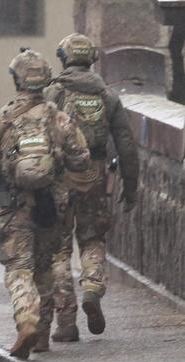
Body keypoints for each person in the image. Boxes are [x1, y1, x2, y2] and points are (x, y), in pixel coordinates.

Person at [0, 49, 90, 359]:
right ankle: (41, 339)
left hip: (15, 207)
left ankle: (27, 321)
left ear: (16, 80)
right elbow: (82, 159)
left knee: (19, 269)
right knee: (46, 269)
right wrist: (58, 163)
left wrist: (2, 172)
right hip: (54, 206)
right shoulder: (58, 117)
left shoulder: (2, 118)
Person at [44, 33, 139, 342]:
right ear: (92, 59)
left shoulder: (53, 94)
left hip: (60, 177)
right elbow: (125, 142)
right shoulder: (107, 95)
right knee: (92, 238)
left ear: (64, 58)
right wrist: (131, 183)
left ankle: (66, 323)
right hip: (95, 175)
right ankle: (93, 289)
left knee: (58, 247)